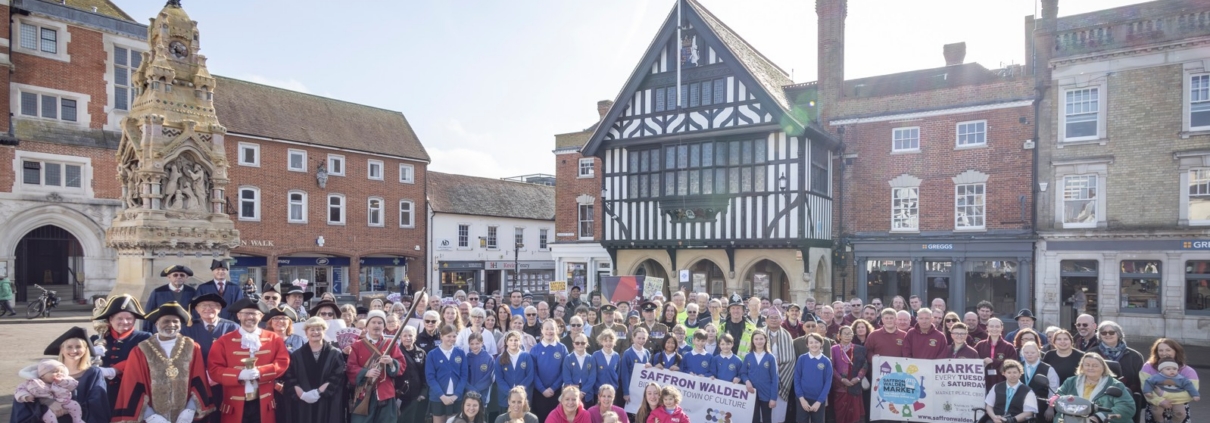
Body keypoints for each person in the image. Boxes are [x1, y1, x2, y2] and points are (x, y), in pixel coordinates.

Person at [112, 302, 214, 423]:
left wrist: (190, 410)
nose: (171, 325)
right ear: (156, 324)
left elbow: (199, 380)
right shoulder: (141, 350)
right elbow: (134, 386)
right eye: (166, 321)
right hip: (151, 415)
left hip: (185, 415)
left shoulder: (192, 347)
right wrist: (150, 416)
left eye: (175, 321)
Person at [207, 298, 290, 423]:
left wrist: (261, 372)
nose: (250, 317)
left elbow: (283, 362)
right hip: (234, 404)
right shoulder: (223, 341)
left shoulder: (274, 338)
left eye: (254, 313)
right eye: (246, 313)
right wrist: (238, 375)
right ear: (238, 316)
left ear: (261, 316)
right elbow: (214, 369)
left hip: (263, 403)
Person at [11, 327, 109, 423]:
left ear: (85, 350)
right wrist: (47, 405)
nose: (74, 351)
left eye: (78, 347)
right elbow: (24, 397)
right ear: (62, 349)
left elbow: (97, 403)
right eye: (69, 347)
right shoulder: (44, 370)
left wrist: (66, 407)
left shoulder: (93, 373)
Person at [282, 317, 346, 423]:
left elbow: (337, 377)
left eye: (319, 329)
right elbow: (290, 377)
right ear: (306, 333)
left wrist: (318, 392)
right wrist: (302, 395)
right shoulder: (296, 355)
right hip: (303, 404)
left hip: (327, 402)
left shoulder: (335, 354)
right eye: (311, 329)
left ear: (324, 331)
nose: (315, 332)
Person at [92, 294, 150, 409]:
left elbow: (143, 360)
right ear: (110, 319)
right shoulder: (96, 339)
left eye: (129, 319)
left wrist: (114, 370)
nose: (124, 322)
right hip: (101, 392)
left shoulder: (144, 338)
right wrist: (88, 358)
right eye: (119, 318)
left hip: (130, 390)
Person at [1050, 353, 1136, 423]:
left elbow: (1127, 407)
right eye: (1087, 365)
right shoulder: (1071, 381)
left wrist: (1100, 416)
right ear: (1082, 367)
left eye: (1095, 365)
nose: (1090, 368)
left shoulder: (1115, 385)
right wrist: (1056, 397)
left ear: (1103, 368)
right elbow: (1060, 394)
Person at [1141, 338, 1200, 423]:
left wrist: (1164, 395)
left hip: (1179, 409)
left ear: (1176, 351)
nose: (1164, 353)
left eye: (1168, 350)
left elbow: (1190, 394)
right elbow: (1145, 388)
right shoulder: (1147, 367)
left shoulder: (1189, 371)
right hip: (1156, 407)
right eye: (1160, 350)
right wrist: (1160, 401)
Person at [15, 359, 84, 423]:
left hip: (64, 402)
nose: (59, 374)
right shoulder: (32, 383)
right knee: (47, 415)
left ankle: (77, 420)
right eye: (55, 372)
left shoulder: (64, 380)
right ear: (42, 375)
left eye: (61, 372)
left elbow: (74, 384)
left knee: (74, 405)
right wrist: (25, 396)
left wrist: (62, 382)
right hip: (47, 408)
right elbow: (20, 390)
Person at [1095, 320, 1145, 405]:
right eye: (1104, 333)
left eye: (1111, 332)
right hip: (1098, 397)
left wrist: (1140, 402)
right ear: (1100, 336)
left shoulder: (1135, 356)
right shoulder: (1092, 354)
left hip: (1127, 398)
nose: (1107, 335)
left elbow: (1141, 380)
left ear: (1118, 334)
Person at [426, 324, 468, 423]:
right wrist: (442, 396)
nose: (451, 339)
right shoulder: (432, 354)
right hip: (438, 397)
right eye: (448, 336)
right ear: (441, 336)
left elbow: (464, 376)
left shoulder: (460, 353)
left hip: (456, 397)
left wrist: (456, 395)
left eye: (454, 336)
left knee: (455, 421)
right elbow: (430, 378)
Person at [532, 320, 569, 420]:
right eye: (547, 329)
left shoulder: (562, 348)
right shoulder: (535, 349)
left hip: (556, 392)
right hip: (539, 392)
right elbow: (533, 372)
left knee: (556, 419)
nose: (549, 331)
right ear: (542, 331)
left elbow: (564, 371)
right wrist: (542, 389)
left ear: (556, 330)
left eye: (552, 328)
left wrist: (553, 387)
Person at [144, 265, 198, 332]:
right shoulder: (158, 292)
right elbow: (149, 313)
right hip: (162, 330)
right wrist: (147, 332)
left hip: (185, 331)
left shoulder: (191, 292)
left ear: (186, 277)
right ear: (169, 277)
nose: (179, 277)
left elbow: (196, 313)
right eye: (175, 275)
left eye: (182, 275)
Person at [831, 326, 866, 423]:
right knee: (840, 414)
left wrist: (858, 378)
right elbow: (831, 367)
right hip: (840, 387)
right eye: (845, 333)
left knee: (854, 413)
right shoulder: (834, 349)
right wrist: (841, 379)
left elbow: (865, 365)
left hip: (855, 386)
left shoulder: (859, 349)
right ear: (839, 336)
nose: (847, 335)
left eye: (850, 333)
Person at [793, 333, 830, 423]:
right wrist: (801, 398)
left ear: (821, 344)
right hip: (803, 399)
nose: (814, 345)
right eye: (811, 342)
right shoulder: (802, 359)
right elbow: (797, 378)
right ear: (807, 344)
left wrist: (819, 401)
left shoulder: (826, 361)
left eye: (816, 342)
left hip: (818, 400)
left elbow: (828, 383)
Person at [496, 331, 535, 414]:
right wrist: (510, 392)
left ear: (520, 342)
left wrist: (519, 390)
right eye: (511, 340)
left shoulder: (526, 356)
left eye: (516, 340)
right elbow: (499, 378)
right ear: (506, 342)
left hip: (522, 397)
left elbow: (530, 376)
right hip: (505, 398)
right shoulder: (500, 358)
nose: (513, 342)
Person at [746, 329, 780, 423]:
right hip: (752, 394)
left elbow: (775, 378)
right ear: (753, 340)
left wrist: (773, 398)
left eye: (761, 339)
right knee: (754, 419)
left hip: (766, 394)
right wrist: (747, 381)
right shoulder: (748, 356)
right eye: (756, 339)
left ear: (765, 340)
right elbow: (743, 373)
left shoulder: (770, 357)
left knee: (767, 419)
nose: (759, 341)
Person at [1018, 341, 1059, 420]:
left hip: (1041, 405)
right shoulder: (1018, 367)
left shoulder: (1048, 369)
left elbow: (1054, 389)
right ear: (1022, 353)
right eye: (1026, 352)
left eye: (1033, 352)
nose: (1029, 354)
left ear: (1038, 352)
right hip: (1021, 405)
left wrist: (1050, 407)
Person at [398, 326, 429, 423]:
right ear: (400, 337)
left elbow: (426, 374)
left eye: (410, 335)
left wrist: (423, 393)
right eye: (405, 335)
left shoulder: (421, 352)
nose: (408, 338)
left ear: (415, 337)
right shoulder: (395, 352)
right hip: (400, 396)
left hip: (417, 396)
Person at [976, 317, 1016, 392]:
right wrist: (982, 361)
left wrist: (993, 361)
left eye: (997, 326)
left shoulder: (1009, 347)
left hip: (1001, 382)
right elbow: (973, 362)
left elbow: (1012, 365)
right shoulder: (980, 345)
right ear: (987, 328)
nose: (994, 329)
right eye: (991, 326)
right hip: (982, 383)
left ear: (1002, 328)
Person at [563, 333, 597, 408]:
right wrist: (575, 391)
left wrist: (583, 392)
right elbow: (566, 377)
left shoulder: (591, 359)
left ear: (587, 344)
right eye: (577, 343)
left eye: (583, 343)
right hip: (572, 391)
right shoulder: (568, 358)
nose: (580, 345)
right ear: (573, 344)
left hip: (587, 392)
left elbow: (592, 377)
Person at [466, 333, 496, 415]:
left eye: (477, 343)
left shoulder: (489, 358)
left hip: (483, 395)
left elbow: (490, 377)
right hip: (469, 395)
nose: (474, 346)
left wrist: (476, 390)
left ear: (482, 343)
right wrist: (470, 389)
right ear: (468, 344)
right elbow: (463, 377)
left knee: (481, 417)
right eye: (472, 344)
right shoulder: (466, 358)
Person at [620, 327, 651, 404]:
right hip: (631, 390)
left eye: (643, 338)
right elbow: (624, 375)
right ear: (633, 338)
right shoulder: (627, 354)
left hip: (643, 389)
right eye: (639, 338)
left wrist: (650, 366)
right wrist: (626, 392)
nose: (641, 341)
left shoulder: (647, 352)